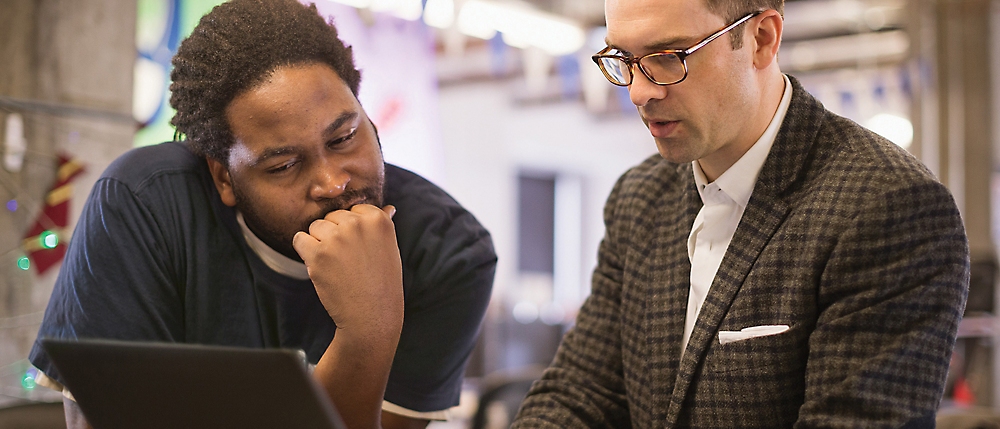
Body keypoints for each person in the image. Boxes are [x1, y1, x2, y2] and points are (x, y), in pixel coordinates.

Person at [28, 1, 496, 428]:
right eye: (284, 165)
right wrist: (366, 328)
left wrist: (369, 330)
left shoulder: (449, 251)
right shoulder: (143, 206)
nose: (334, 182)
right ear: (224, 179)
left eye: (344, 138)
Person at [513, 0, 969, 427]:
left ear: (762, 39)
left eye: (669, 57)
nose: (638, 92)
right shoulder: (640, 197)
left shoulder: (885, 206)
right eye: (623, 59)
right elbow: (582, 391)